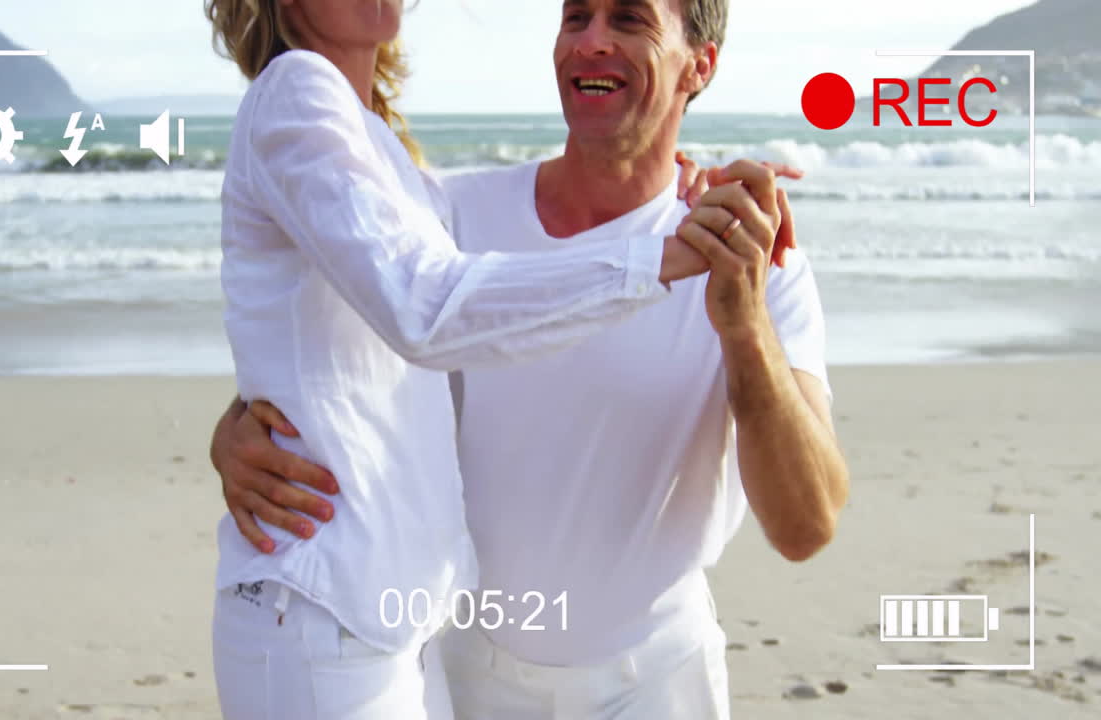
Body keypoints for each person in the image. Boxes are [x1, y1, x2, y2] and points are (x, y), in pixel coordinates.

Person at [210, 0, 850, 718]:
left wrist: (743, 327)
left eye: (630, 20)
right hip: (459, 674)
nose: (592, 41)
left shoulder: (757, 257)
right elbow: (376, 327)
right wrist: (239, 428)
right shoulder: (456, 219)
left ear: (699, 65)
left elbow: (806, 526)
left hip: (657, 682)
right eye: (576, 17)